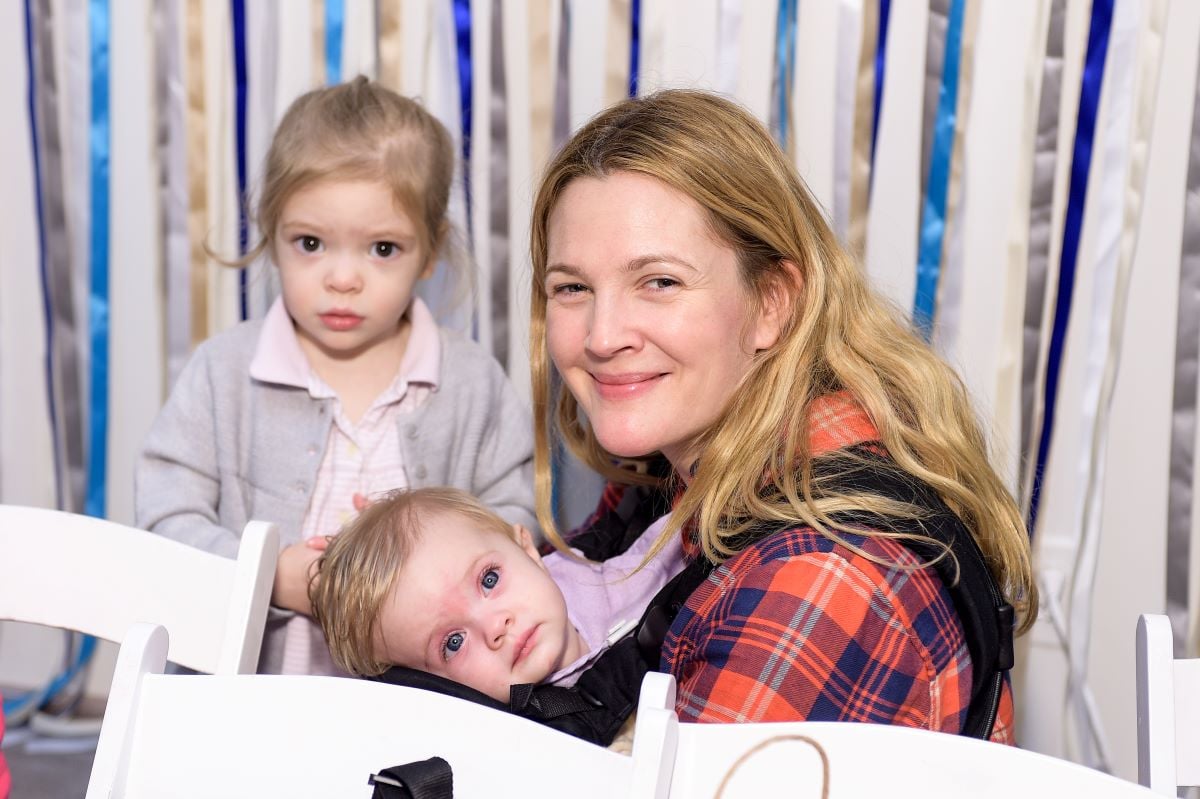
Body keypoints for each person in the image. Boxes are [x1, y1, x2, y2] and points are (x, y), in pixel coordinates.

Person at [527, 89, 1037, 743]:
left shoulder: (822, 573)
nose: (602, 336)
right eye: (573, 287)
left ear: (772, 302)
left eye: (659, 282)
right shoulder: (681, 468)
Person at [135, 77, 535, 675]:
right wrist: (269, 575)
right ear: (272, 235)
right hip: (251, 702)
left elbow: (515, 521)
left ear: (430, 250)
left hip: (417, 704)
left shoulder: (470, 383)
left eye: (381, 249)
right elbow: (164, 522)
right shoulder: (223, 374)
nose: (342, 278)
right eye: (311, 243)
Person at [308, 487, 683, 703]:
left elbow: (682, 538)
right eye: (453, 642)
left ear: (527, 549)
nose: (495, 627)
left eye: (488, 580)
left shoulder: (601, 580)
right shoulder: (511, 736)